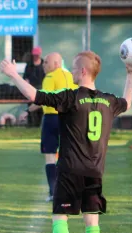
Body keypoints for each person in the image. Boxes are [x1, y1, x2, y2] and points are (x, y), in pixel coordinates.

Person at [0, 51, 132, 233]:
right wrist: (130, 75)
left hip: (69, 169)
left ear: (83, 71)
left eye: (74, 68)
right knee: (92, 220)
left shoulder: (70, 98)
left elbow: (35, 96)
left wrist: (14, 75)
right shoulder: (108, 101)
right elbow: (127, 101)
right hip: (95, 171)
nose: (71, 72)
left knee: (59, 216)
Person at [28, 52, 77, 202]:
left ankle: (54, 192)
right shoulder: (70, 76)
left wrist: (29, 109)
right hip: (69, 118)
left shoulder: (50, 77)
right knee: (68, 155)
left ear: (56, 63)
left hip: (52, 118)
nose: (44, 65)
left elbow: (44, 98)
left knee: (50, 155)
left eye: (47, 62)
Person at [23, 46, 45, 127]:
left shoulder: (44, 64)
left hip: (42, 89)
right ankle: (31, 125)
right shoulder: (29, 65)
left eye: (37, 55)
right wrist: (26, 85)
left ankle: (39, 125)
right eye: (34, 55)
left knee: (40, 108)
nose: (36, 57)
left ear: (40, 54)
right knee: (31, 107)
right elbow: (25, 77)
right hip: (31, 89)